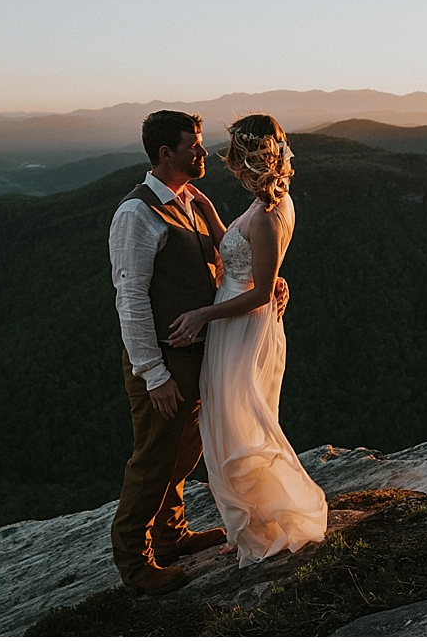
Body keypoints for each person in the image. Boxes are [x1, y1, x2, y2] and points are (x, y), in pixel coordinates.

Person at [107, 110, 288, 595]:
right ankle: (134, 558)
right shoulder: (136, 214)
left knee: (185, 451)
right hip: (164, 359)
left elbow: (238, 257)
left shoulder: (190, 200)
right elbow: (130, 299)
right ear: (166, 153)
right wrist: (153, 373)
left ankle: (169, 535)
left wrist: (273, 282)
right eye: (194, 146)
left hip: (200, 353)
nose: (203, 153)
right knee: (153, 458)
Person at [167, 114, 328, 567]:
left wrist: (202, 314)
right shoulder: (267, 203)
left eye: (236, 157)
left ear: (250, 159)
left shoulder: (272, 215)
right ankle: (247, 522)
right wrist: (211, 214)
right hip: (234, 324)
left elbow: (259, 290)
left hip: (242, 327)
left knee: (238, 426)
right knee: (227, 422)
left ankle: (261, 523)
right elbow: (239, 255)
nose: (230, 164)